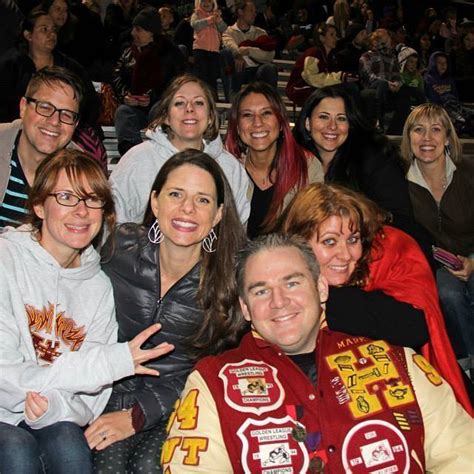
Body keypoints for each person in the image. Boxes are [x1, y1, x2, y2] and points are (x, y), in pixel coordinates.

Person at [162, 234, 473, 472]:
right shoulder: (212, 383)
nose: (279, 301)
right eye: (261, 290)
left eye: (292, 283)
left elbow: (461, 456)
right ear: (245, 308)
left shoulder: (400, 363)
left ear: (321, 288)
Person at [0, 149, 174, 474]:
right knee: (16, 449)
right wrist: (105, 364)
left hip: (56, 413)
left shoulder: (98, 286)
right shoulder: (5, 260)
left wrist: (53, 406)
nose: (81, 211)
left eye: (93, 199)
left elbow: (91, 400)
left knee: (69, 445)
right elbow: (3, 374)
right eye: (66, 197)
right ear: (39, 205)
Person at [88, 149, 246, 473]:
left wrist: (138, 415)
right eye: (176, 194)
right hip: (105, 395)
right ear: (155, 201)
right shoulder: (119, 247)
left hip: (179, 401)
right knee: (106, 462)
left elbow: (214, 369)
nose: (187, 208)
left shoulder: (229, 279)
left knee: (151, 465)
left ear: (218, 214)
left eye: (203, 200)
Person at [277, 182, 471, 413]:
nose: (345, 254)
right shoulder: (274, 282)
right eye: (329, 241)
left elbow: (414, 327)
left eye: (353, 239)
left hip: (415, 396)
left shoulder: (387, 254)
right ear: (299, 243)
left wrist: (319, 297)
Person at [109, 73, 250, 226]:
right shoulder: (137, 160)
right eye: (179, 103)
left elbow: (235, 230)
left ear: (210, 117)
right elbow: (114, 222)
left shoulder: (230, 168)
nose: (189, 108)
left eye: (199, 103)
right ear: (166, 117)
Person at [293, 84, 424, 245]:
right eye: (324, 117)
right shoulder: (293, 160)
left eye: (341, 118)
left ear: (350, 124)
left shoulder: (375, 160)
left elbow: (400, 218)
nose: (332, 126)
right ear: (307, 123)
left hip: (369, 247)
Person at [401, 103, 474, 365]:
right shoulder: (399, 180)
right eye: (418, 130)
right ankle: (465, 363)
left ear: (447, 138)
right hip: (434, 263)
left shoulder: (468, 173)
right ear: (409, 137)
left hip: (472, 253)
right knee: (448, 294)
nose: (427, 138)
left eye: (435, 129)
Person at [0, 12, 106, 168]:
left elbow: (90, 105)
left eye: (54, 30)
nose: (51, 34)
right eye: (44, 29)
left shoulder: (72, 68)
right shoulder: (10, 66)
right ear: (28, 35)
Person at [224, 81, 323, 238]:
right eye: (247, 115)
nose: (257, 122)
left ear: (281, 123)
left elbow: (313, 231)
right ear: (237, 127)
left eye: (266, 113)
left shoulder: (308, 167)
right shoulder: (227, 170)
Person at [0, 66, 83, 227]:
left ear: (76, 124)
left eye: (67, 114)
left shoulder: (82, 175)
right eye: (45, 107)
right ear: (23, 107)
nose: (54, 121)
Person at [112, 7, 186, 155]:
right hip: (136, 108)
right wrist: (125, 95)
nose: (133, 33)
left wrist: (152, 97)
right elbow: (116, 76)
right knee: (123, 112)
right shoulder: (128, 52)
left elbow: (177, 82)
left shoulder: (170, 53)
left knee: (158, 109)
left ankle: (161, 151)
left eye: (138, 30)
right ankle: (131, 153)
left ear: (151, 32)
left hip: (162, 104)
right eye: (133, 29)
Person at [286, 23, 358, 107]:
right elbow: (313, 78)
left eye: (336, 35)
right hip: (302, 89)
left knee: (350, 88)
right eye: (332, 35)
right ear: (322, 38)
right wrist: (340, 77)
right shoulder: (313, 53)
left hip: (317, 88)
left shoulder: (331, 56)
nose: (336, 38)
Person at [221, 0, 278, 100]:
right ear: (240, 12)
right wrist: (238, 54)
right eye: (251, 11)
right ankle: (232, 97)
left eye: (255, 12)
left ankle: (270, 100)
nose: (254, 14)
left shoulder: (260, 32)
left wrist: (248, 50)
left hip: (256, 69)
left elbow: (269, 55)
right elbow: (229, 45)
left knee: (270, 68)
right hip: (238, 71)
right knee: (227, 55)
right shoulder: (229, 32)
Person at [359, 28, 401, 131]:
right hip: (372, 86)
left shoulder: (392, 57)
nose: (389, 39)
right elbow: (369, 76)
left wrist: (397, 83)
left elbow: (397, 75)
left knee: (409, 91)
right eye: (386, 37)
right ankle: (377, 119)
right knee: (382, 84)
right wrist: (387, 83)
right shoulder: (367, 56)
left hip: (389, 87)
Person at [190, 0, 227, 98]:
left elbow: (224, 29)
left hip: (214, 50)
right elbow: (195, 25)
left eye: (209, 1)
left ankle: (213, 98)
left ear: (213, 3)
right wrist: (209, 20)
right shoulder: (196, 14)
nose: (206, 3)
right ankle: (200, 96)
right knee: (201, 76)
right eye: (203, 1)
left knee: (213, 76)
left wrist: (218, 20)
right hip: (200, 49)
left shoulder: (216, 15)